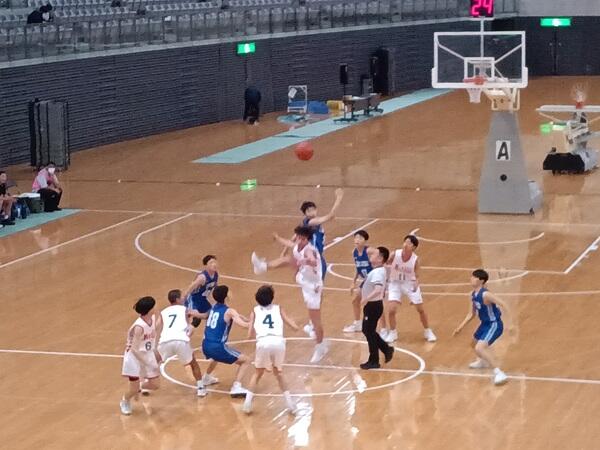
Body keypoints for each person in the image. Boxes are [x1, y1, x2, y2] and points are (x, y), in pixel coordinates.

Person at [252, 226, 329, 363]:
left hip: (313, 287)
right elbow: (289, 243)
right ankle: (262, 267)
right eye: (298, 237)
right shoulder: (298, 245)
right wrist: (278, 238)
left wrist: (305, 261)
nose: (299, 240)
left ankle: (320, 347)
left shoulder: (309, 250)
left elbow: (313, 260)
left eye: (302, 238)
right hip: (304, 278)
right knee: (288, 259)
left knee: (315, 321)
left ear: (307, 239)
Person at [243, 285, 299, 415]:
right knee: (279, 373)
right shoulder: (279, 309)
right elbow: (294, 327)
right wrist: (294, 324)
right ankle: (290, 404)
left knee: (257, 374)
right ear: (272, 297)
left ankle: (247, 404)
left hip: (263, 342)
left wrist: (251, 326)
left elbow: (249, 335)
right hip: (278, 342)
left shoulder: (254, 311)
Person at [453, 269, 511, 386]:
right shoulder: (472, 295)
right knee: (473, 344)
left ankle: (499, 373)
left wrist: (510, 323)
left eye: (474, 277)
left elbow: (504, 304)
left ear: (481, 281)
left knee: (479, 348)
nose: (471, 279)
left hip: (494, 324)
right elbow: (471, 314)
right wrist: (460, 327)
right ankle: (483, 361)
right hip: (484, 324)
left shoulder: (486, 294)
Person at [382, 235, 436, 343]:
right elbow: (385, 265)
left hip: (409, 283)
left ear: (414, 247)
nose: (405, 244)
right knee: (391, 309)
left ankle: (427, 331)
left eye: (409, 243)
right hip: (395, 283)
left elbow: (417, 275)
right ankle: (393, 332)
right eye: (405, 242)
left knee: (420, 309)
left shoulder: (415, 259)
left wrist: (416, 283)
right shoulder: (395, 254)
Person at [156, 289, 208, 398]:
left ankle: (144, 384)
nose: (184, 298)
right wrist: (209, 313)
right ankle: (200, 388)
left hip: (165, 340)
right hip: (181, 340)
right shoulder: (185, 309)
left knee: (154, 362)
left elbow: (157, 326)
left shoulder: (163, 312)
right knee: (193, 364)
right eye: (181, 297)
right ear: (177, 299)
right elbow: (199, 316)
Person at [201, 285, 251, 397]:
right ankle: (236, 387)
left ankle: (206, 377)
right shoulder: (229, 311)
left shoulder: (213, 308)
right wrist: (254, 322)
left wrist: (241, 317)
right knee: (246, 360)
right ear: (226, 296)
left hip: (205, 345)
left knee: (215, 357)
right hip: (217, 347)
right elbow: (243, 325)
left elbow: (233, 316)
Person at [120, 296, 160, 415]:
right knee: (133, 389)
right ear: (149, 309)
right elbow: (134, 349)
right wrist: (148, 363)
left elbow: (156, 329)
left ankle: (140, 386)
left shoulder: (152, 318)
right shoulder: (139, 327)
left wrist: (154, 352)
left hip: (146, 353)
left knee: (155, 385)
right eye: (154, 306)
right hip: (134, 357)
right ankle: (125, 401)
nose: (156, 307)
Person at [360, 246, 394, 370]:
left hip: (373, 306)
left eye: (374, 254)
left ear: (380, 258)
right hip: (373, 305)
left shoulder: (378, 272)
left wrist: (366, 298)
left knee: (369, 331)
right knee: (367, 330)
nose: (371, 255)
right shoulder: (378, 270)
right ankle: (386, 349)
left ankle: (374, 360)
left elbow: (378, 289)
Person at [299, 188, 344, 281]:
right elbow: (330, 216)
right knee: (316, 284)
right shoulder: (311, 222)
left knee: (318, 283)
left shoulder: (312, 222)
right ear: (305, 214)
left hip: (318, 255)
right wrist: (339, 198)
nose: (312, 212)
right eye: (309, 211)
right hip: (313, 257)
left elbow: (295, 236)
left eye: (313, 209)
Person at [343, 230, 373, 332]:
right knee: (356, 301)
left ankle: (383, 328)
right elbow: (357, 268)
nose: (357, 240)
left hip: (373, 279)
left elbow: (381, 260)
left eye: (360, 238)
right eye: (356, 237)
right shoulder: (354, 252)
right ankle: (358, 324)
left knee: (372, 304)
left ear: (365, 240)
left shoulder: (369, 251)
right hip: (366, 280)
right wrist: (353, 282)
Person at [182, 254, 218, 328]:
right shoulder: (202, 277)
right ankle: (184, 330)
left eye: (215, 262)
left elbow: (215, 286)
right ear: (206, 265)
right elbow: (190, 288)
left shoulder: (216, 275)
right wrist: (184, 298)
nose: (214, 264)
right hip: (193, 299)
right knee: (195, 319)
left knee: (211, 314)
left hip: (202, 299)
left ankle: (208, 332)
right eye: (211, 263)